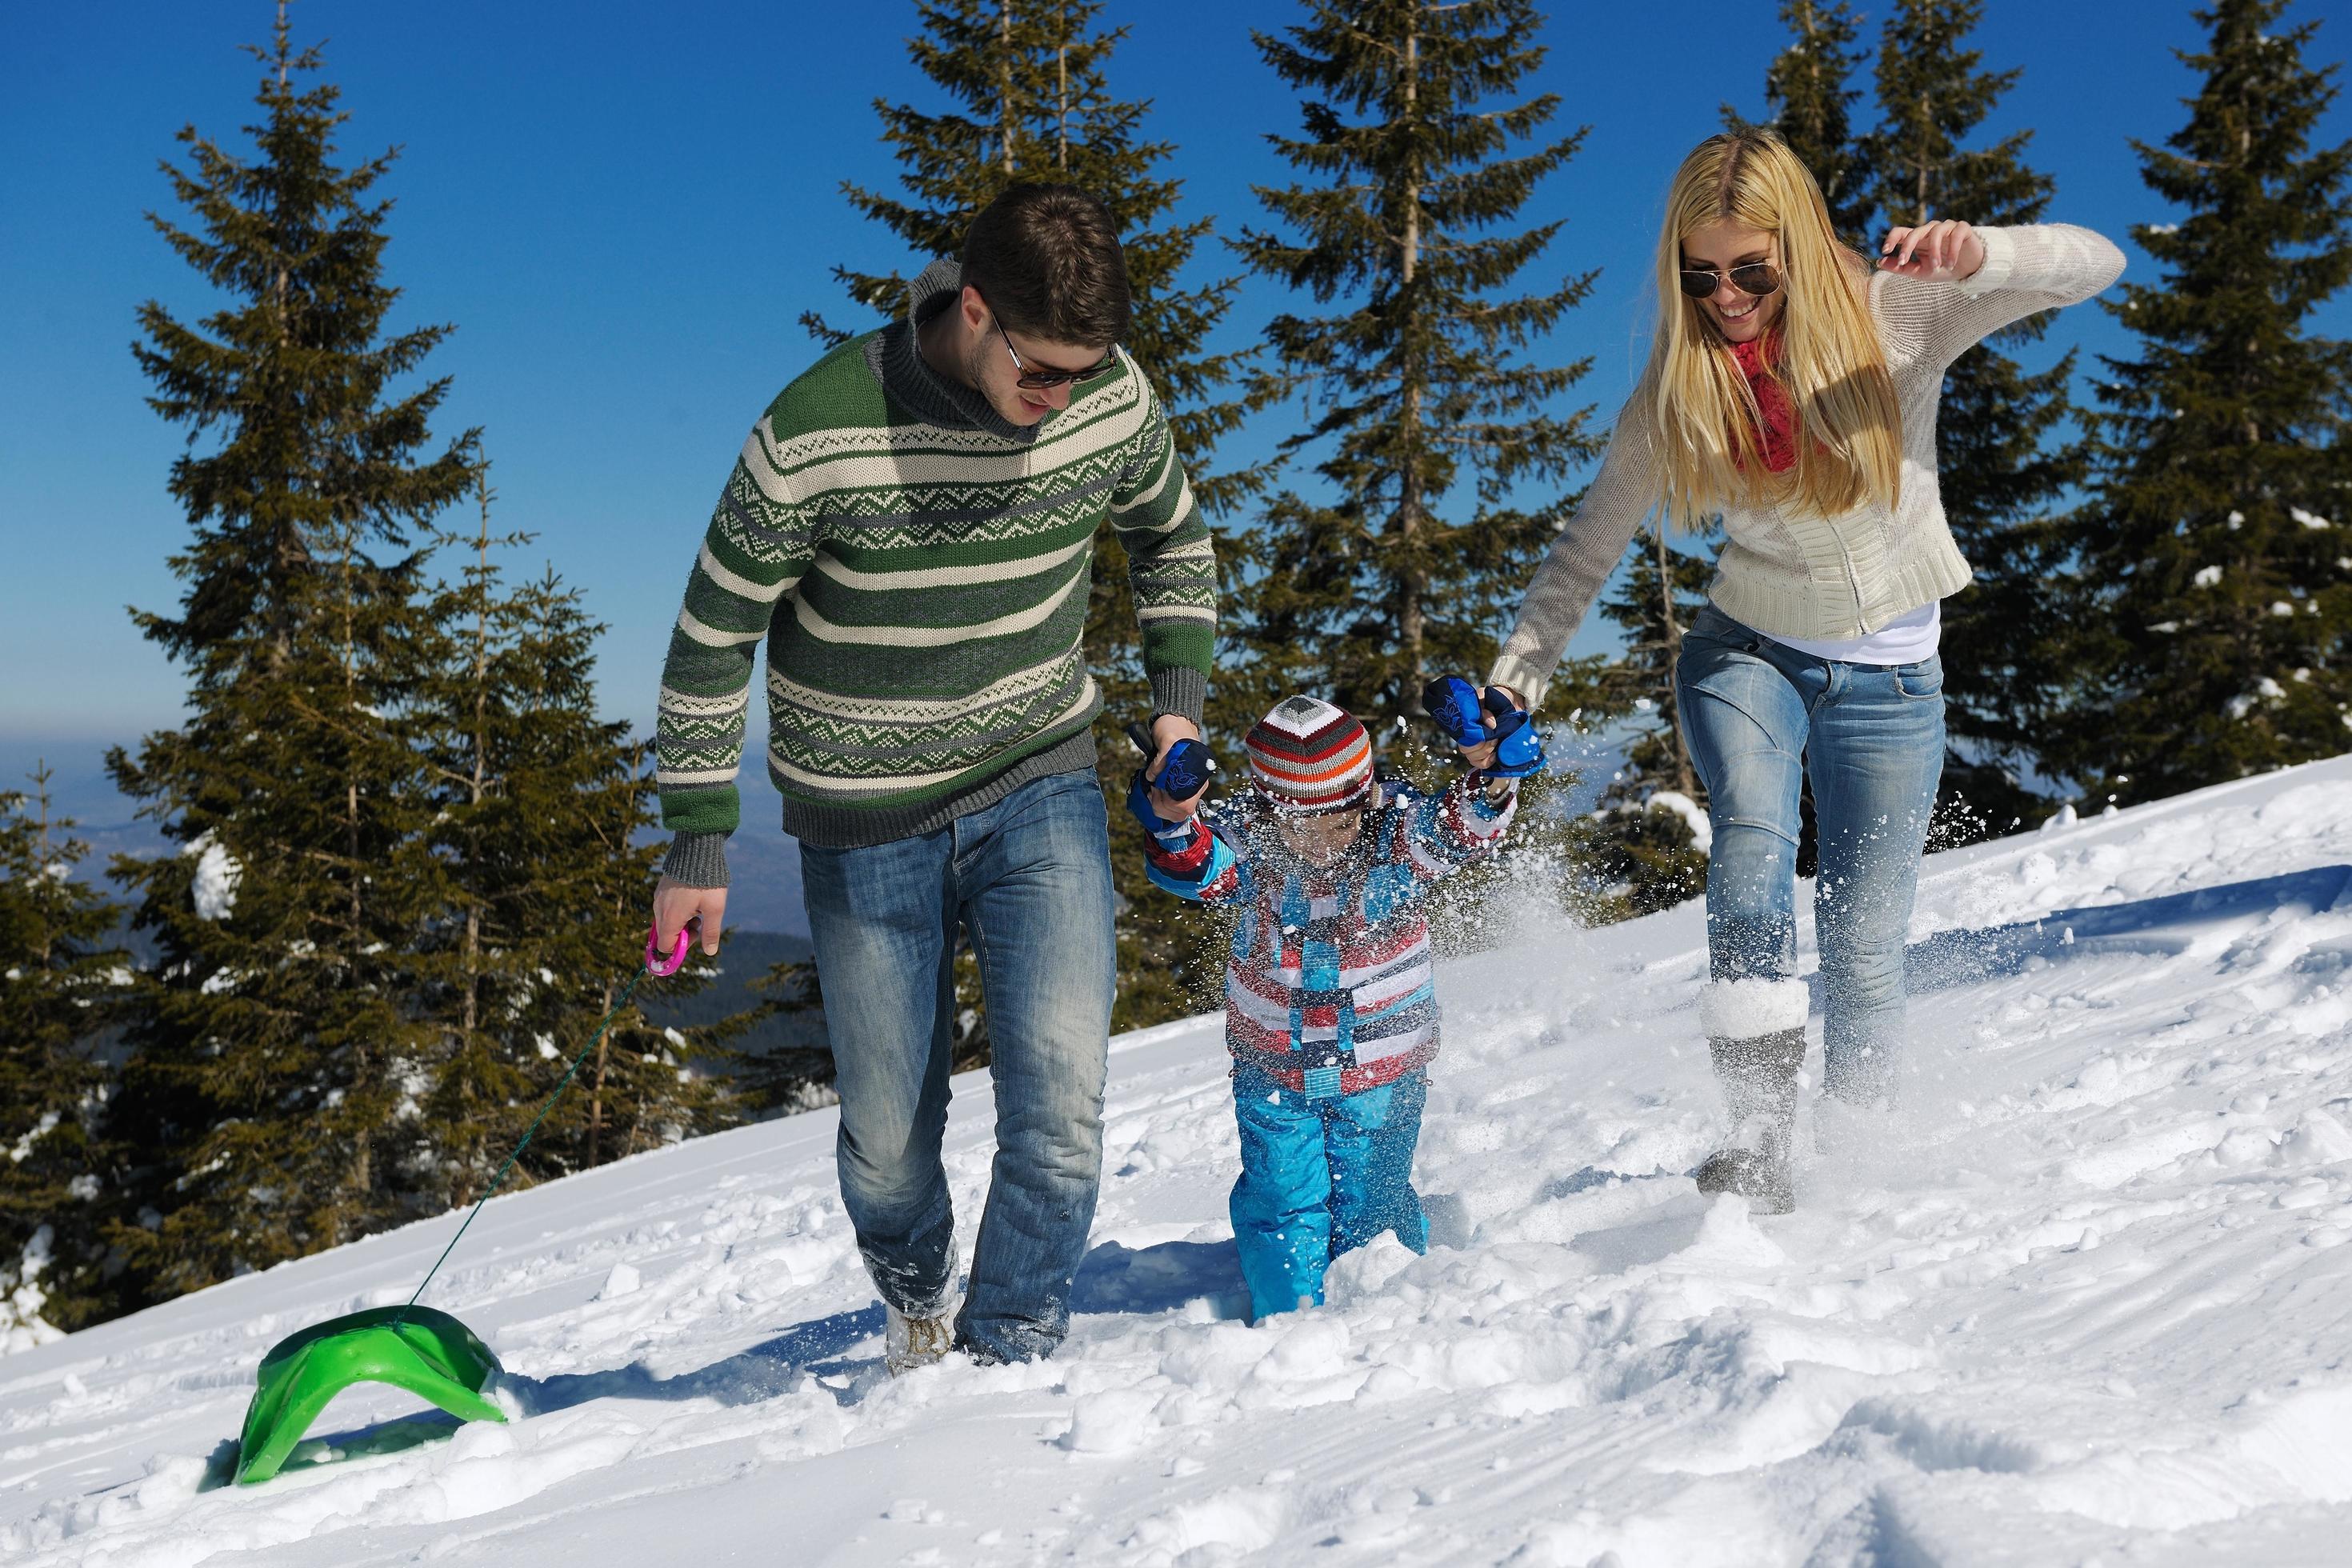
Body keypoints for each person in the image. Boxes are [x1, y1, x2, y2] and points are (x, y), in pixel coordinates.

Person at [1486, 128, 2124, 1213]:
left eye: (1748, 269)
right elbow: (1587, 546)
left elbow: (2096, 261)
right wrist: (1517, 677)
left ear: (1795, 244)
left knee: (1866, 950)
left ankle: (1861, 1179)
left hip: (1892, 686)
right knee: (1748, 861)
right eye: (1700, 276)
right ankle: (1758, 1153)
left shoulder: (1901, 314)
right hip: (1748, 653)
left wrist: (1985, 251)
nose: (1724, 296)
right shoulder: (1682, 381)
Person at [648, 183, 1218, 1368]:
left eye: (1086, 371)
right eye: (1041, 371)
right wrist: (700, 843)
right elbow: (714, 631)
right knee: (889, 1145)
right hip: (864, 823)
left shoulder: (1106, 397)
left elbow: (1171, 536)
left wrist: (1175, 713)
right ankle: (916, 1306)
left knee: (1060, 1111)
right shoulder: (818, 429)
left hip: (1039, 770)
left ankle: (1007, 1355)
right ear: (973, 311)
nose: (1061, 399)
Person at [1128, 690, 1534, 1320]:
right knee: (1281, 1197)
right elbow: (1196, 866)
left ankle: (1381, 1317)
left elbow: (1462, 828)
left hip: (1383, 1067)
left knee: (1371, 1195)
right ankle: (1288, 1317)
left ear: (1364, 799)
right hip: (1274, 1070)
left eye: (1339, 823)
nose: (1322, 843)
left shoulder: (1397, 838)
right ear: (1269, 812)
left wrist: (1493, 780)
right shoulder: (1252, 851)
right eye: (1300, 825)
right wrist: (1171, 823)